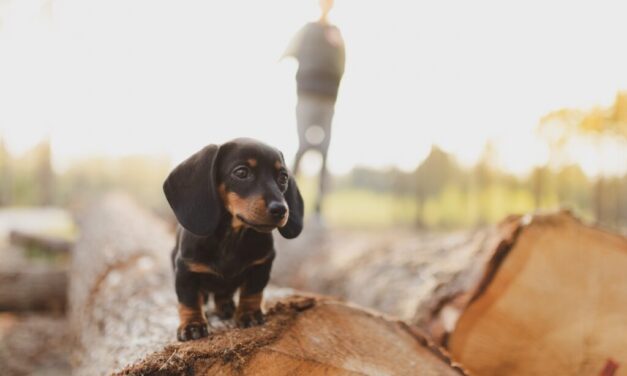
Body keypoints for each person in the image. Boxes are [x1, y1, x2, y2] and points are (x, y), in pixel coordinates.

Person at [282, 0, 345, 216]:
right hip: (306, 95)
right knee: (302, 147)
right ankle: (287, 199)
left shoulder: (335, 33)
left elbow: (342, 62)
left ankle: (318, 208)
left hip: (328, 98)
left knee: (324, 151)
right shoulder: (306, 30)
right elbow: (288, 50)